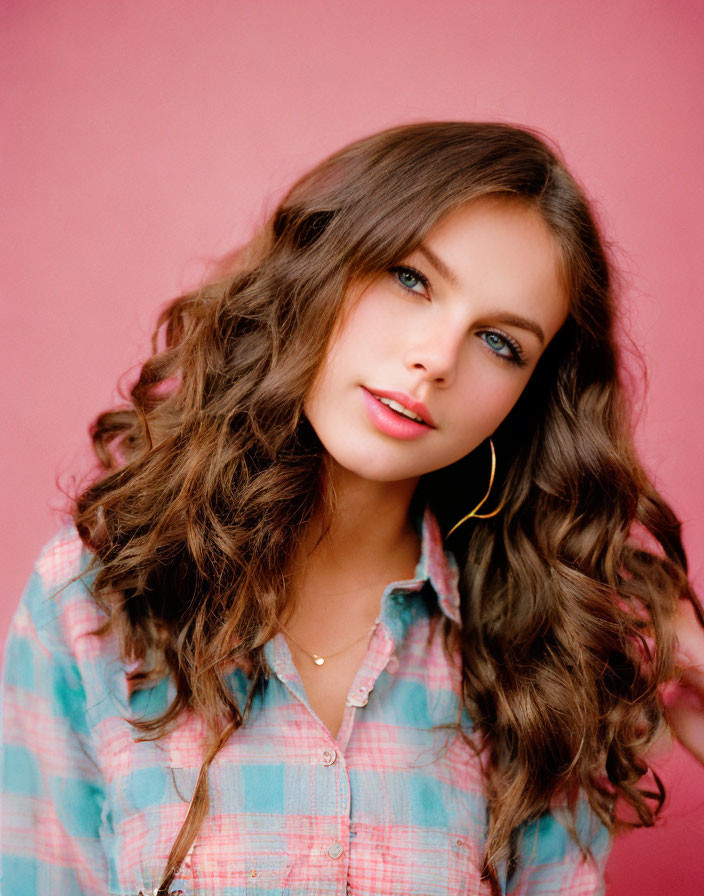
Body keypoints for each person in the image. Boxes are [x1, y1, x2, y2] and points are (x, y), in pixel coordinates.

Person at [1, 121, 703, 896]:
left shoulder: (538, 662)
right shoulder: (94, 598)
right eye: (411, 279)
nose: (435, 360)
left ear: (527, 402)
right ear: (320, 267)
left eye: (500, 343)